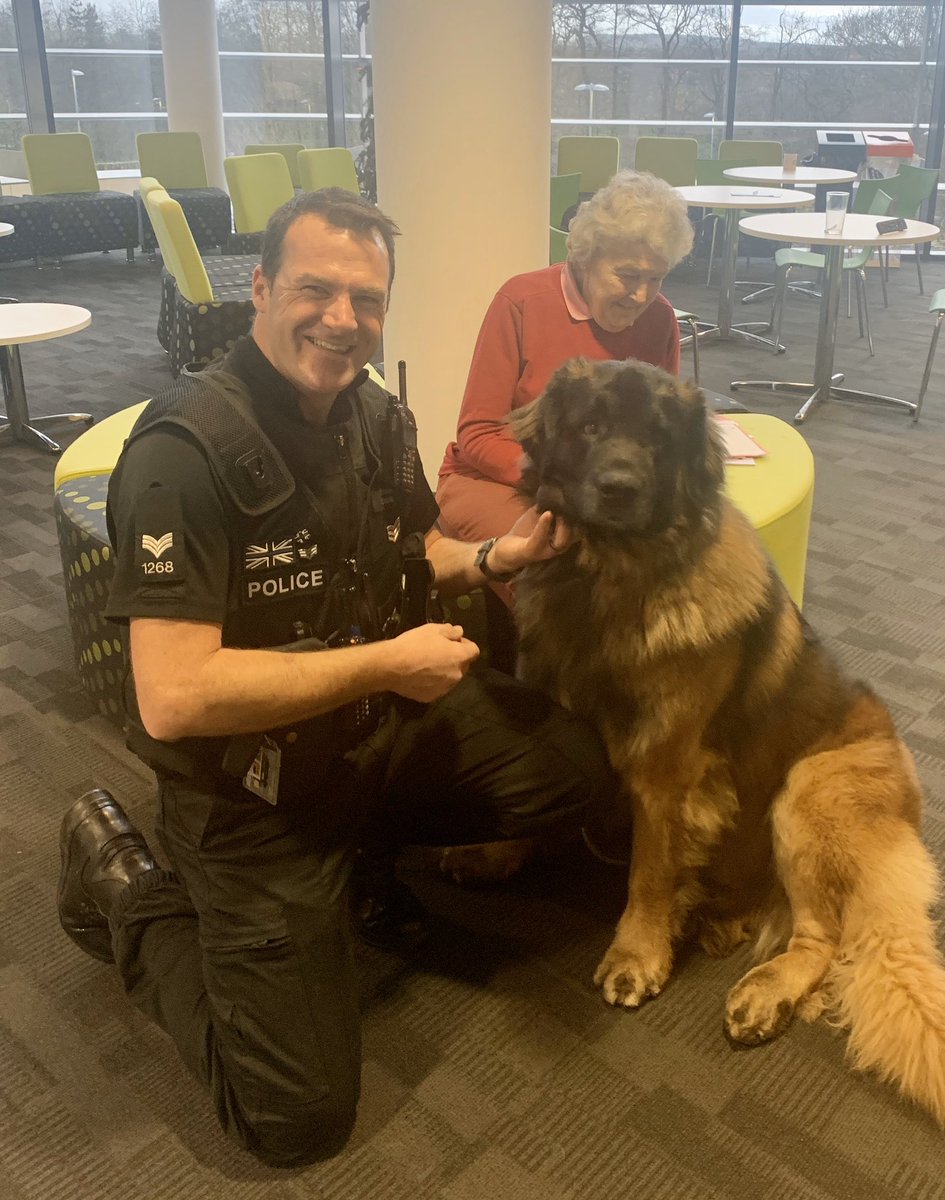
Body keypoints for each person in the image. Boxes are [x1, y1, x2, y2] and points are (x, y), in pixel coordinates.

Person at [56, 188, 613, 1169]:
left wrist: (493, 561)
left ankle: (361, 852)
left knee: (571, 762)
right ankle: (126, 885)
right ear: (262, 288)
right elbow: (174, 694)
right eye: (317, 288)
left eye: (367, 298)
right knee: (293, 1120)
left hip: (367, 733)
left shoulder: (374, 415)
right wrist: (391, 662)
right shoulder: (182, 452)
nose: (343, 318)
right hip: (250, 795)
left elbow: (415, 550)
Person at [436, 169, 695, 551]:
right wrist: (565, 481)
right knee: (563, 556)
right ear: (587, 258)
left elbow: (665, 431)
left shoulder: (660, 319)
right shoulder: (521, 302)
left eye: (655, 279)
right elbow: (478, 434)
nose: (641, 296)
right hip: (495, 480)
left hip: (608, 484)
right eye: (627, 275)